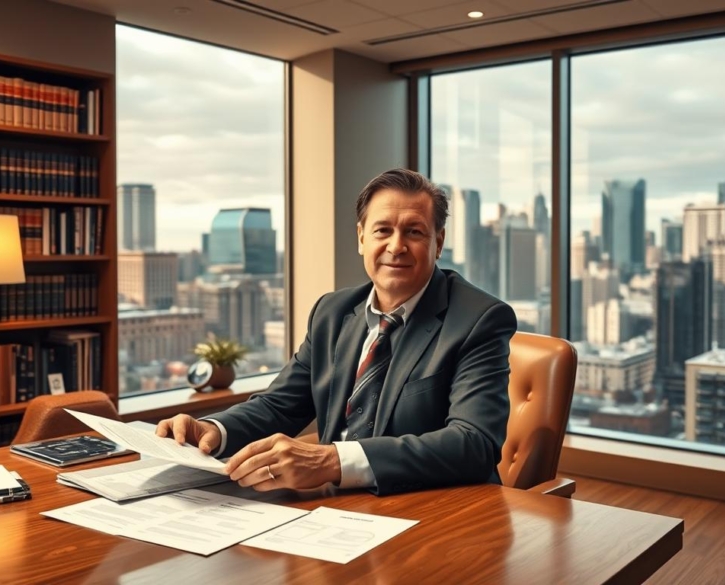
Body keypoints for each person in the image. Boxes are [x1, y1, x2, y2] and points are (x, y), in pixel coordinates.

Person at [157, 168, 516, 496]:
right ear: (361, 238)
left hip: (432, 507)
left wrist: (331, 461)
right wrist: (213, 432)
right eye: (382, 230)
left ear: (438, 242)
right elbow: (279, 405)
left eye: (414, 231)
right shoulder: (332, 312)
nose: (396, 246)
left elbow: (474, 444)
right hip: (334, 506)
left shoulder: (479, 319)